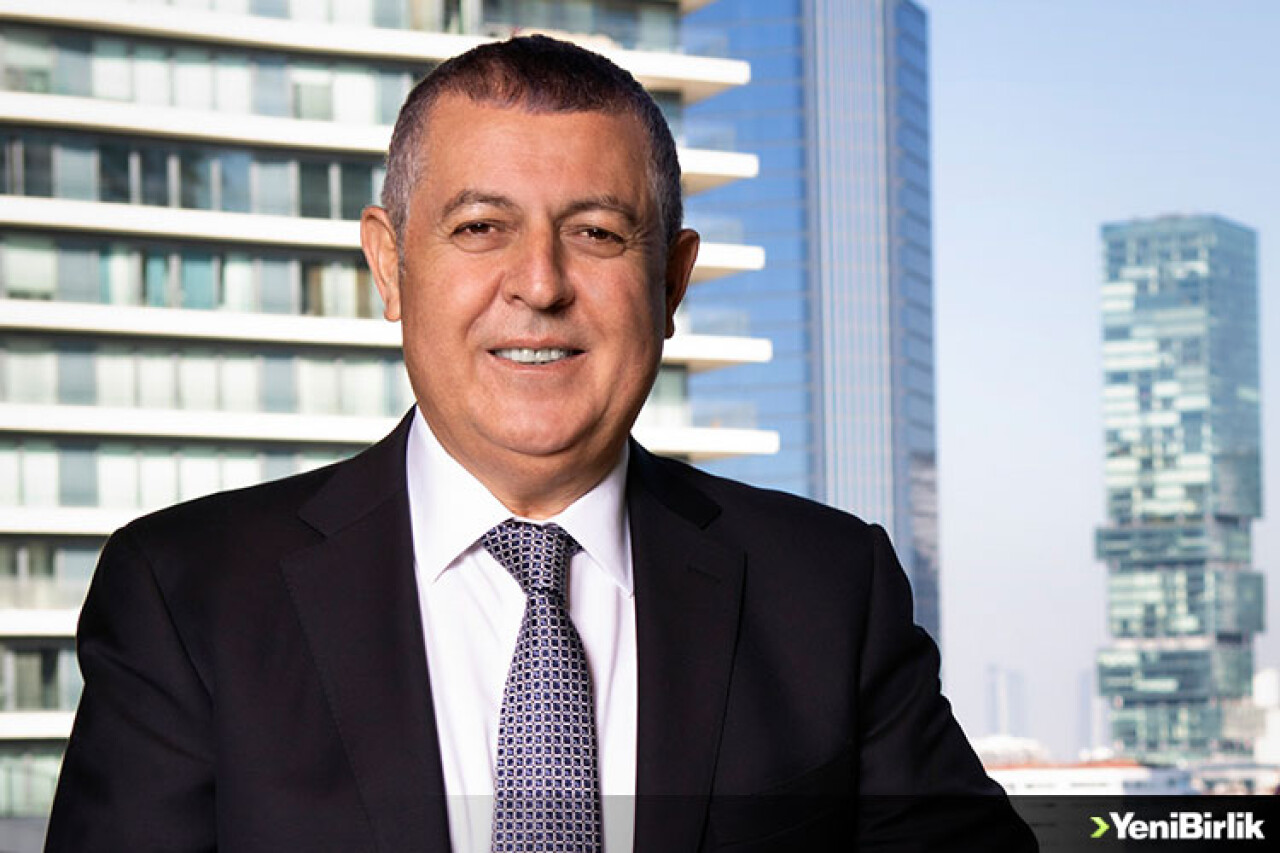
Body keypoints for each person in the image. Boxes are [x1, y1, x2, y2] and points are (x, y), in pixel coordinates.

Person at [45, 35, 1035, 852]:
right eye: (481, 226)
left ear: (672, 282)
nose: (541, 283)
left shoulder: (827, 589)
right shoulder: (188, 594)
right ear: (389, 266)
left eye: (597, 233)